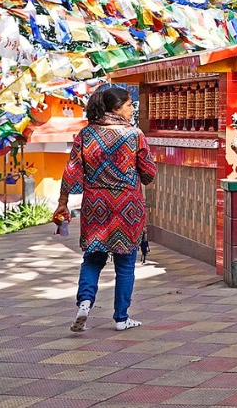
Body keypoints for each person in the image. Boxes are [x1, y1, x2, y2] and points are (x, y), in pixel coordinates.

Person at [54, 85, 156, 332]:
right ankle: (121, 318)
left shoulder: (86, 134)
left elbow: (71, 171)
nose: (132, 109)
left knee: (92, 258)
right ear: (116, 108)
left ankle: (85, 303)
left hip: (95, 206)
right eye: (129, 105)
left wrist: (63, 202)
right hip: (127, 208)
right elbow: (149, 174)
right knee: (125, 264)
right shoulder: (134, 135)